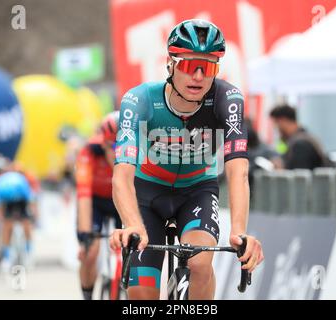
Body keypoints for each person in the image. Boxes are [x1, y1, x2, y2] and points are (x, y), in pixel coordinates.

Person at [110, 19, 264, 300]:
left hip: (197, 192)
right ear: (170, 64)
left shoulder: (227, 100)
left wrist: (240, 233)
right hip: (148, 195)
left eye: (208, 67)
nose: (198, 76)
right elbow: (121, 174)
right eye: (188, 65)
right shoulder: (140, 99)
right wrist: (131, 223)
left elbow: (238, 171)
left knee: (199, 262)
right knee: (143, 297)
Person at [75, 111, 123, 300]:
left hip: (121, 199)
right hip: (95, 201)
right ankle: (87, 295)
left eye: (122, 146)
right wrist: (85, 235)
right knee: (91, 251)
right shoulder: (88, 152)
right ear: (103, 143)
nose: (117, 152)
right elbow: (84, 196)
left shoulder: (139, 151)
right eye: (112, 146)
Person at [0, 159, 38, 273]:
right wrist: (34, 213)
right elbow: (30, 199)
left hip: (16, 202)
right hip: (14, 202)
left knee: (16, 225)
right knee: (16, 225)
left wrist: (0, 216)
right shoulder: (12, 180)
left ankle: (20, 255)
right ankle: (15, 256)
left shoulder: (7, 180)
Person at [270, 104, 331, 170]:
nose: (275, 128)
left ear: (284, 120)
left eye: (276, 123)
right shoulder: (304, 138)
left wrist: (281, 170)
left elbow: (298, 177)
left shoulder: (301, 144)